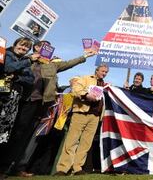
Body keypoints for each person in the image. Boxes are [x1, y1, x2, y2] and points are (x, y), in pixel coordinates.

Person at [3, 40, 97, 176]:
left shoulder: (52, 64)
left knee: (30, 137)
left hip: (42, 104)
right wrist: (29, 59)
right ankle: (5, 166)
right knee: (16, 133)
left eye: (49, 47)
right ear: (35, 48)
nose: (47, 49)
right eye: (44, 47)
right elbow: (10, 68)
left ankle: (19, 167)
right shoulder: (25, 59)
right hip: (24, 101)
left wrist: (84, 56)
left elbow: (68, 63)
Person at [55, 64, 109, 176]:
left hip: (95, 116)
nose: (104, 73)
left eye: (106, 72)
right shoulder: (85, 78)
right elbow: (76, 89)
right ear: (97, 70)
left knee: (86, 143)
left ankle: (77, 168)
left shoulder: (105, 85)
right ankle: (63, 169)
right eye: (102, 71)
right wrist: (86, 95)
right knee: (71, 141)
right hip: (81, 112)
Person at [0, 38, 37, 177]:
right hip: (3, 94)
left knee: (4, 134)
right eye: (21, 46)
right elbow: (8, 67)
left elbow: (30, 80)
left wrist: (16, 78)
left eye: (26, 48)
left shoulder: (25, 63)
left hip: (14, 100)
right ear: (15, 45)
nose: (23, 49)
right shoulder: (7, 53)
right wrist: (26, 62)